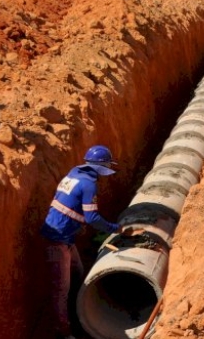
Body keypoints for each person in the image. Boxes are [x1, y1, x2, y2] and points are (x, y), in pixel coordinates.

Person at [41, 145, 122, 339]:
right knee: (61, 290)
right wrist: (115, 229)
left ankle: (80, 314)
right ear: (102, 167)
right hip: (57, 240)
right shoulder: (89, 184)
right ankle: (64, 333)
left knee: (79, 275)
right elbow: (92, 218)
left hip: (65, 237)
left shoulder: (74, 172)